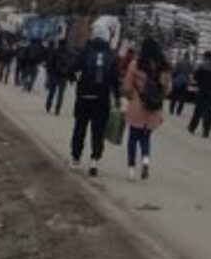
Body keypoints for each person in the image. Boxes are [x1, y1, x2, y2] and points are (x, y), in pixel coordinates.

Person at [69, 26, 120, 176]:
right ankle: (94, 160)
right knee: (98, 131)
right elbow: (115, 80)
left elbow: (71, 69)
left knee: (80, 128)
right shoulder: (111, 56)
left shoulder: (85, 52)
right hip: (102, 99)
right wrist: (117, 97)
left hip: (84, 96)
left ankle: (75, 158)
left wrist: (75, 80)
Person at [121, 37, 170, 180]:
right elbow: (168, 90)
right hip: (153, 107)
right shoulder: (163, 67)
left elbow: (127, 85)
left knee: (133, 136)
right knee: (146, 136)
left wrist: (130, 95)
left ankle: (131, 169)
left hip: (137, 105)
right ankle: (146, 159)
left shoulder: (136, 64)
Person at [189, 51, 211, 137]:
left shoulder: (202, 66)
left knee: (198, 110)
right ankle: (206, 131)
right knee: (208, 111)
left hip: (202, 91)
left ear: (205, 57)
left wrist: (200, 83)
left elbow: (196, 77)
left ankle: (192, 127)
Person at [45, 41, 73, 115]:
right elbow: (71, 65)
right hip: (63, 77)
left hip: (54, 74)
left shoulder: (55, 52)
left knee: (52, 92)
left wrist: (49, 72)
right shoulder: (70, 53)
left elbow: (50, 63)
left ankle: (48, 105)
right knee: (60, 94)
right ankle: (58, 109)